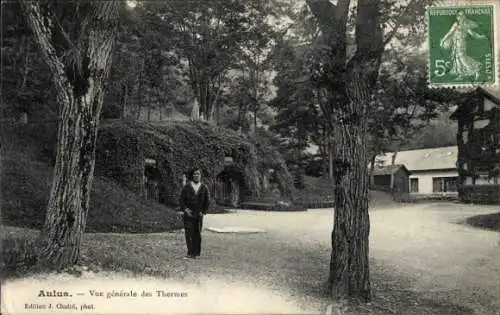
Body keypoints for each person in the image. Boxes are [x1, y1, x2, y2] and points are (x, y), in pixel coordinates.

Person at [440, 10, 487, 81]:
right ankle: (461, 75)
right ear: (457, 17)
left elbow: (473, 34)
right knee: (457, 60)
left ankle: (476, 71)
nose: (461, 17)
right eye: (459, 16)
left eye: (462, 15)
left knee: (463, 59)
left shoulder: (466, 25)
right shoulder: (455, 24)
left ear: (464, 17)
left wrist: (481, 37)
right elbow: (449, 33)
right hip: (455, 44)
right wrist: (443, 40)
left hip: (461, 44)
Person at [179, 168, 210, 259]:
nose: (196, 176)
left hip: (198, 214)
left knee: (197, 233)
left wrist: (203, 212)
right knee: (189, 232)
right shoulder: (187, 187)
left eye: (198, 174)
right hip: (188, 214)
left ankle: (196, 252)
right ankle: (190, 252)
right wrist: (185, 209)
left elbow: (207, 201)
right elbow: (181, 200)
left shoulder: (204, 187)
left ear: (200, 176)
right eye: (195, 174)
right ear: (192, 176)